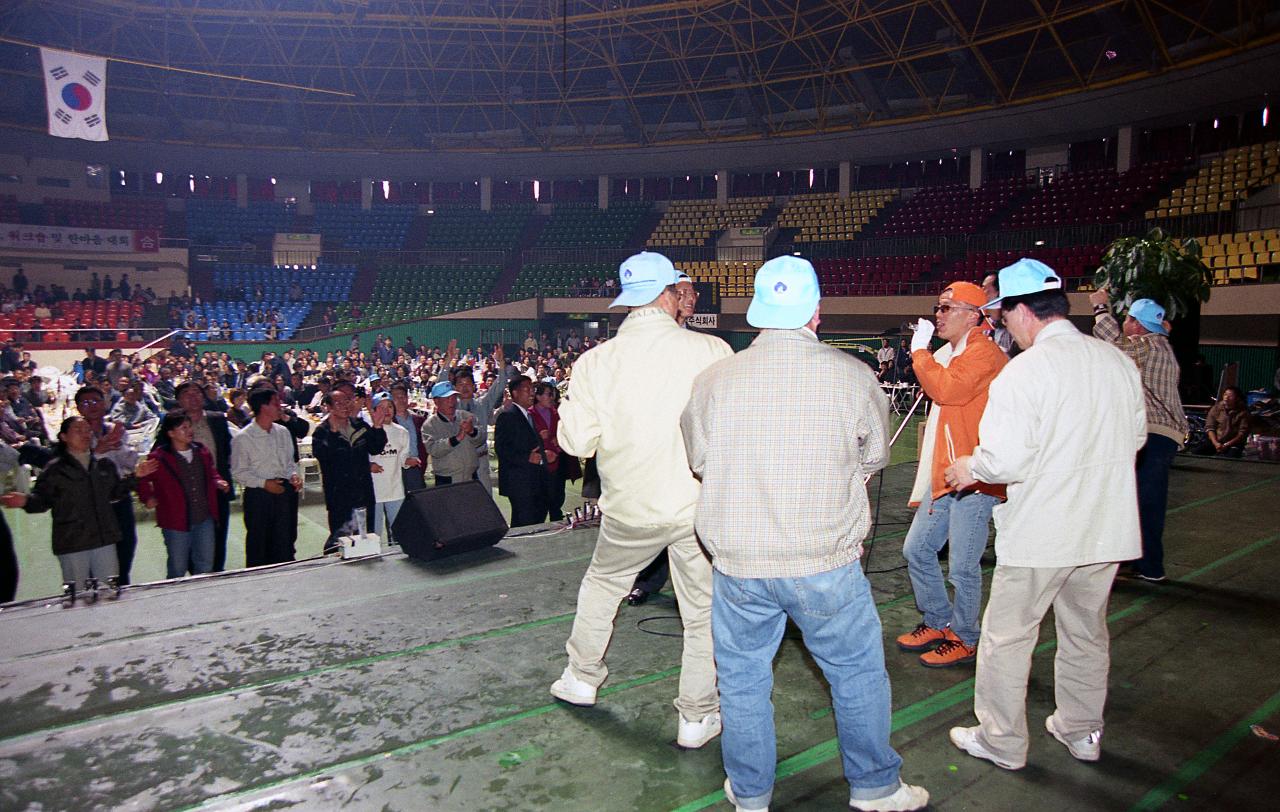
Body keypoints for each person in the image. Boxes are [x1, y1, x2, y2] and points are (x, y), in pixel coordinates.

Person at [680, 255, 928, 812]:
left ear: (758, 312)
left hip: (739, 562)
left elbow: (700, 460)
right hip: (825, 561)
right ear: (816, 313)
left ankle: (750, 794)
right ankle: (875, 788)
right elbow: (874, 456)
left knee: (742, 682)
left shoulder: (714, 380)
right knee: (857, 672)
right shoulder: (853, 375)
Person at [943, 258, 1146, 771]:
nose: (1004, 323)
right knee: (1085, 633)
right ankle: (1081, 730)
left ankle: (1002, 740)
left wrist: (970, 466)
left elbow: (1004, 458)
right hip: (1106, 527)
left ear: (1020, 310)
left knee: (1008, 639)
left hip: (1043, 533)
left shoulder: (1025, 372)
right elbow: (1137, 438)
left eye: (1004, 313)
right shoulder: (1117, 361)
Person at [551, 251, 732, 750]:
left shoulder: (595, 362)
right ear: (670, 294)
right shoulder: (712, 350)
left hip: (629, 507)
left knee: (603, 585)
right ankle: (696, 717)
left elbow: (575, 444)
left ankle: (582, 678)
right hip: (697, 506)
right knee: (702, 612)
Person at [896, 282, 1007, 668]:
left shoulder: (983, 354)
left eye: (947, 308)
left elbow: (946, 390)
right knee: (917, 549)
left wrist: (920, 352)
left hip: (974, 476)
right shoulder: (954, 352)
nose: (938, 315)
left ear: (973, 315)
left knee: (962, 565)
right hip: (947, 473)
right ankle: (938, 620)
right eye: (938, 307)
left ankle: (965, 635)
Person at [1, 416, 157, 604]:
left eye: (87, 430)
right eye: (78, 430)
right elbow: (42, 501)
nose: (85, 434)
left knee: (109, 591)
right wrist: (26, 501)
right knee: (78, 595)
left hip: (104, 539)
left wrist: (135, 477)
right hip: (72, 541)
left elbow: (115, 493)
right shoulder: (55, 470)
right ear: (64, 437)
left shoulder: (103, 466)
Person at [1090, 291, 1188, 582]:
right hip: (1159, 434)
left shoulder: (1148, 346)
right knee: (1141, 500)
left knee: (1145, 501)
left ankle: (1150, 567)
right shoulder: (1159, 346)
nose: (1124, 322)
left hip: (1153, 433)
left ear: (1138, 325)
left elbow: (1113, 344)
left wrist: (1099, 308)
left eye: (1129, 318)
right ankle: (1140, 562)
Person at [138, 412, 229, 578]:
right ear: (171, 433)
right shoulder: (159, 457)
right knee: (177, 566)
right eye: (183, 428)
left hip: (204, 516)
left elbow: (211, 472)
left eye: (189, 427)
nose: (189, 431)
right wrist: (147, 497)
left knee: (205, 563)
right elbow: (142, 478)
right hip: (175, 521)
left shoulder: (201, 451)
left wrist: (218, 481)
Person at [75, 386, 142, 586]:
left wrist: (118, 444)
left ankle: (121, 592)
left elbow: (130, 463)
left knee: (125, 551)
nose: (92, 406)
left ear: (105, 403)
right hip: (90, 506)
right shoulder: (73, 433)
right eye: (86, 403)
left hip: (120, 500)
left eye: (96, 401)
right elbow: (70, 470)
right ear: (78, 408)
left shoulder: (115, 430)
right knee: (92, 560)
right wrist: (97, 451)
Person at [231, 389, 303, 567]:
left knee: (285, 542)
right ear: (263, 407)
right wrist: (263, 484)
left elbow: (289, 462)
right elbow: (239, 472)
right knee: (259, 545)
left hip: (284, 493)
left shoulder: (282, 432)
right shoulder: (244, 437)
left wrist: (294, 475)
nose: (280, 406)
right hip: (259, 495)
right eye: (275, 403)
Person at [312, 383, 388, 549]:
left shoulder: (359, 426)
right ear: (329, 407)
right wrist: (333, 432)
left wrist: (377, 426)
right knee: (342, 541)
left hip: (364, 494)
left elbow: (376, 448)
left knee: (365, 538)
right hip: (340, 497)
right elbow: (325, 458)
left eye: (347, 401)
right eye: (339, 403)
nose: (345, 406)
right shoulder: (322, 432)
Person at [176, 381, 236, 572]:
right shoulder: (172, 422)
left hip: (217, 490)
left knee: (218, 540)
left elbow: (228, 450)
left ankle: (218, 575)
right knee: (191, 544)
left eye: (197, 393)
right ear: (178, 400)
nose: (193, 397)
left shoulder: (217, 419)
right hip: (187, 495)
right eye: (187, 393)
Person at [495, 377, 553, 527]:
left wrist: (544, 455)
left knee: (535, 517)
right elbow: (502, 449)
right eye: (527, 389)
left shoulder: (527, 415)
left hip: (532, 479)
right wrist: (527, 457)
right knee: (524, 522)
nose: (532, 393)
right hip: (519, 481)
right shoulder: (507, 416)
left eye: (532, 389)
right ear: (515, 393)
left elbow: (528, 445)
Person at [452, 344, 510, 496]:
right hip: (460, 462)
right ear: (454, 388)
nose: (465, 388)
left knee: (486, 502)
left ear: (474, 386)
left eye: (468, 384)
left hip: (481, 461)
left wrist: (501, 361)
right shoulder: (451, 407)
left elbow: (500, 384)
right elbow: (439, 385)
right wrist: (449, 361)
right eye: (460, 384)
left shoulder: (483, 403)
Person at [367, 392, 410, 543]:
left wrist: (408, 461)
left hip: (395, 489)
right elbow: (359, 459)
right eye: (382, 407)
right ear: (373, 410)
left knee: (399, 531)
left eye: (390, 406)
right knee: (373, 535)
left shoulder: (402, 432)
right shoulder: (366, 431)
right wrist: (369, 466)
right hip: (374, 491)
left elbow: (403, 458)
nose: (387, 410)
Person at [423, 380, 482, 486]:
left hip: (471, 476)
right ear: (436, 401)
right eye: (447, 399)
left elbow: (481, 439)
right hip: (447, 479)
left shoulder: (467, 416)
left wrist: (472, 431)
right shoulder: (430, 425)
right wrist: (455, 439)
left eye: (454, 398)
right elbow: (434, 450)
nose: (452, 402)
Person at [531, 381, 573, 521]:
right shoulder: (529, 414)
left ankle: (557, 520)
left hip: (557, 461)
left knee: (557, 497)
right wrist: (537, 437)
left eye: (553, 395)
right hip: (538, 464)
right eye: (549, 395)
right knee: (540, 502)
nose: (552, 398)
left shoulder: (557, 413)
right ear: (538, 396)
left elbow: (568, 432)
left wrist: (559, 439)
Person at [1192, 386, 1250, 457]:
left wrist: (1226, 444)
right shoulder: (1216, 408)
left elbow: (1242, 433)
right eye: (1225, 395)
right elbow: (1210, 427)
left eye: (1230, 396)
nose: (1226, 397)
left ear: (1237, 398)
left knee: (1231, 456)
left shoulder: (1243, 412)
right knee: (1196, 452)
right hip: (1216, 441)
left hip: (1233, 443)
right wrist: (1216, 443)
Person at [980, 273, 1016, 356]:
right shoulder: (976, 322)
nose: (980, 291)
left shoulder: (1014, 326)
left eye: (984, 288)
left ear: (999, 292)